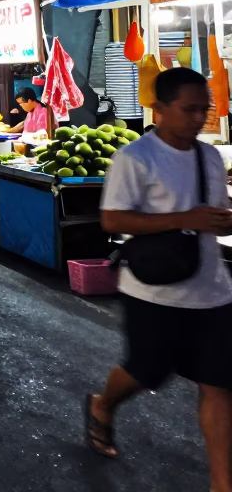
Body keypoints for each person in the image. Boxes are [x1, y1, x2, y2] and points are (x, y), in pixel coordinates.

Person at [84, 69, 232, 482]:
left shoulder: (210, 158)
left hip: (213, 291)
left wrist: (220, 222)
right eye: (189, 109)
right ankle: (103, 403)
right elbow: (112, 219)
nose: (198, 117)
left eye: (204, 109)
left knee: (219, 384)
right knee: (145, 371)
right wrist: (186, 218)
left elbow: (212, 217)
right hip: (153, 292)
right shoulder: (135, 158)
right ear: (160, 108)